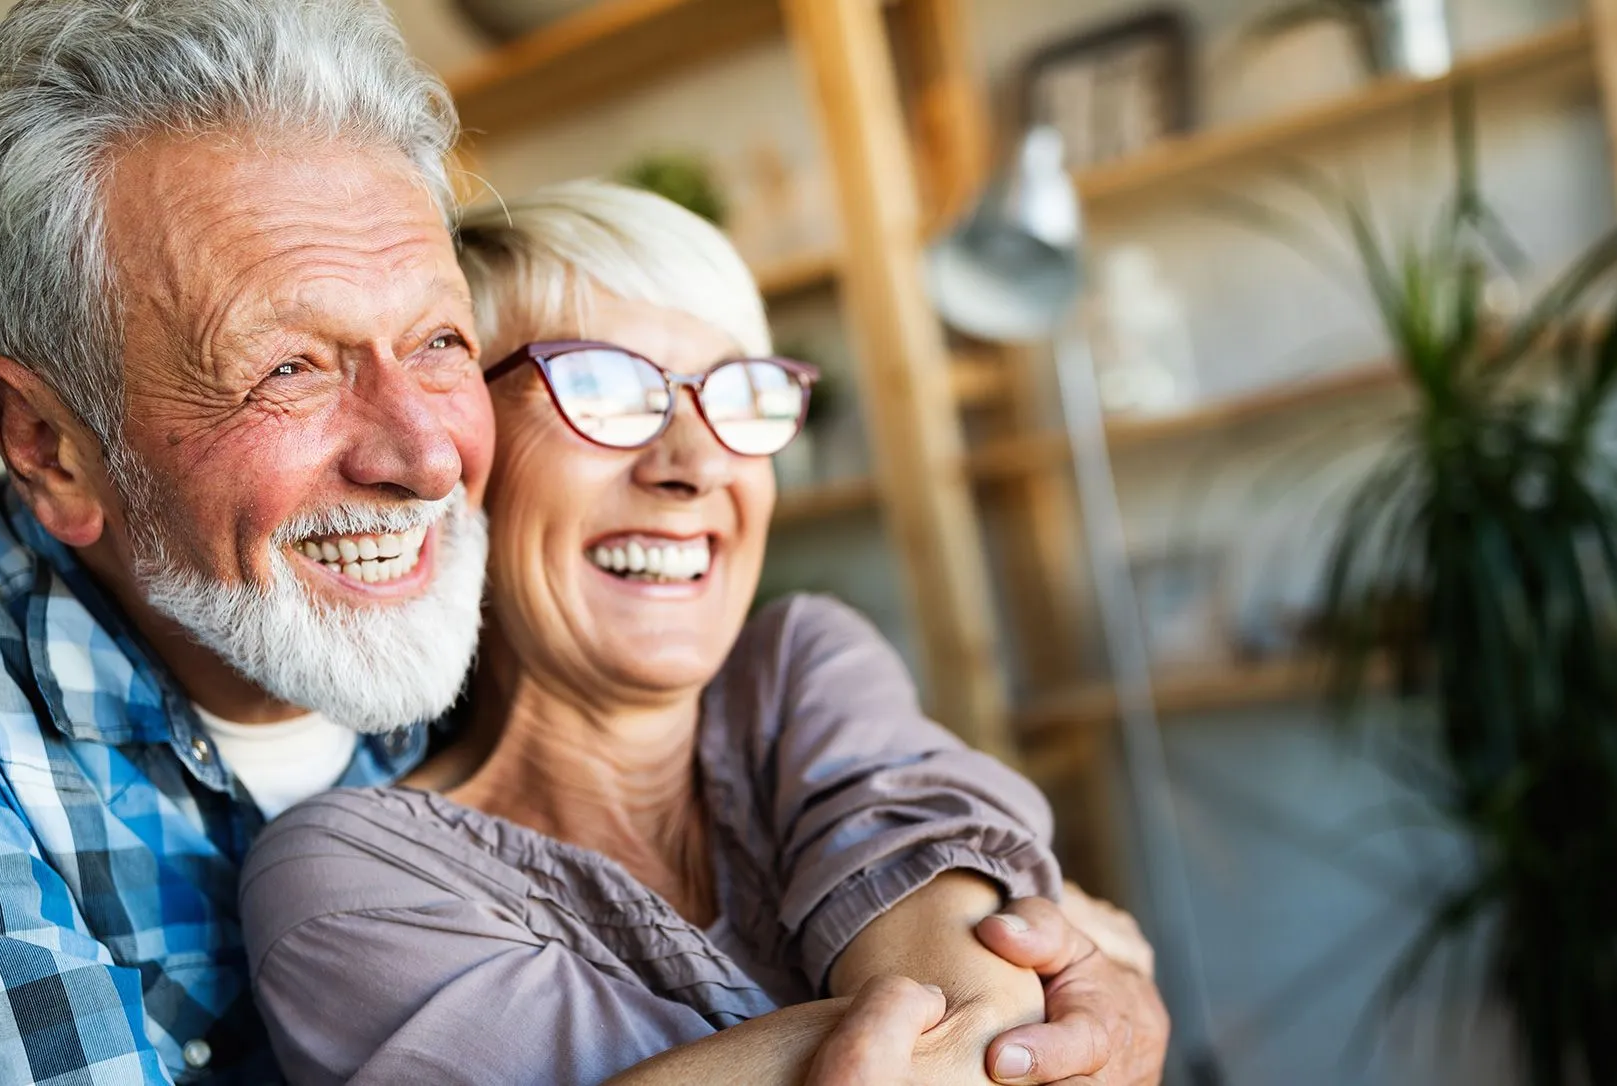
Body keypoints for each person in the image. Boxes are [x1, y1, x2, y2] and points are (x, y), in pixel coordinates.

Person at [0, 1, 1168, 1082]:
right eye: (288, 367)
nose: (427, 458)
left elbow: (943, 864)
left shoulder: (513, 644)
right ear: (50, 444)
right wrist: (1004, 1007)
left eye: (437, 344)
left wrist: (1067, 964)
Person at [239, 181, 1167, 1086]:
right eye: (602, 389)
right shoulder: (352, 878)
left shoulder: (799, 667)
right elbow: (991, 1035)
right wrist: (1014, 1002)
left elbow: (987, 1022)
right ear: (461, 448)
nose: (696, 464)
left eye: (740, 395)